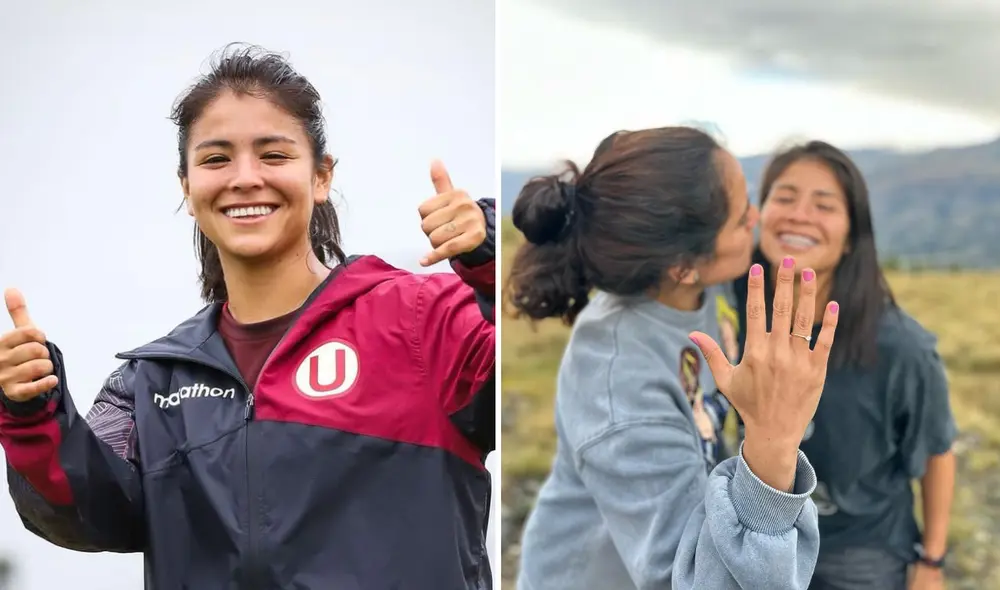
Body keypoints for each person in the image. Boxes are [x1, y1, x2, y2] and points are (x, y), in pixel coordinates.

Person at [0, 44, 496, 590]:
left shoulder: (424, 321)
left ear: (322, 176)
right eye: (216, 159)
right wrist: (30, 410)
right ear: (187, 188)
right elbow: (84, 514)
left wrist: (489, 260)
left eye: (274, 155)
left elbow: (523, 374)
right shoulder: (152, 381)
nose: (244, 178)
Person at [506, 126, 840, 590]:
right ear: (682, 265)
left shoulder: (700, 285)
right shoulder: (619, 381)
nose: (756, 218)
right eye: (742, 217)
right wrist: (774, 441)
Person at [733, 141, 956, 590]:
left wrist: (931, 563)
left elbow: (936, 450)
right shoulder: (735, 309)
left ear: (853, 234)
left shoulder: (900, 346)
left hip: (860, 553)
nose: (799, 214)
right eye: (785, 196)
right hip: (760, 534)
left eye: (824, 204)